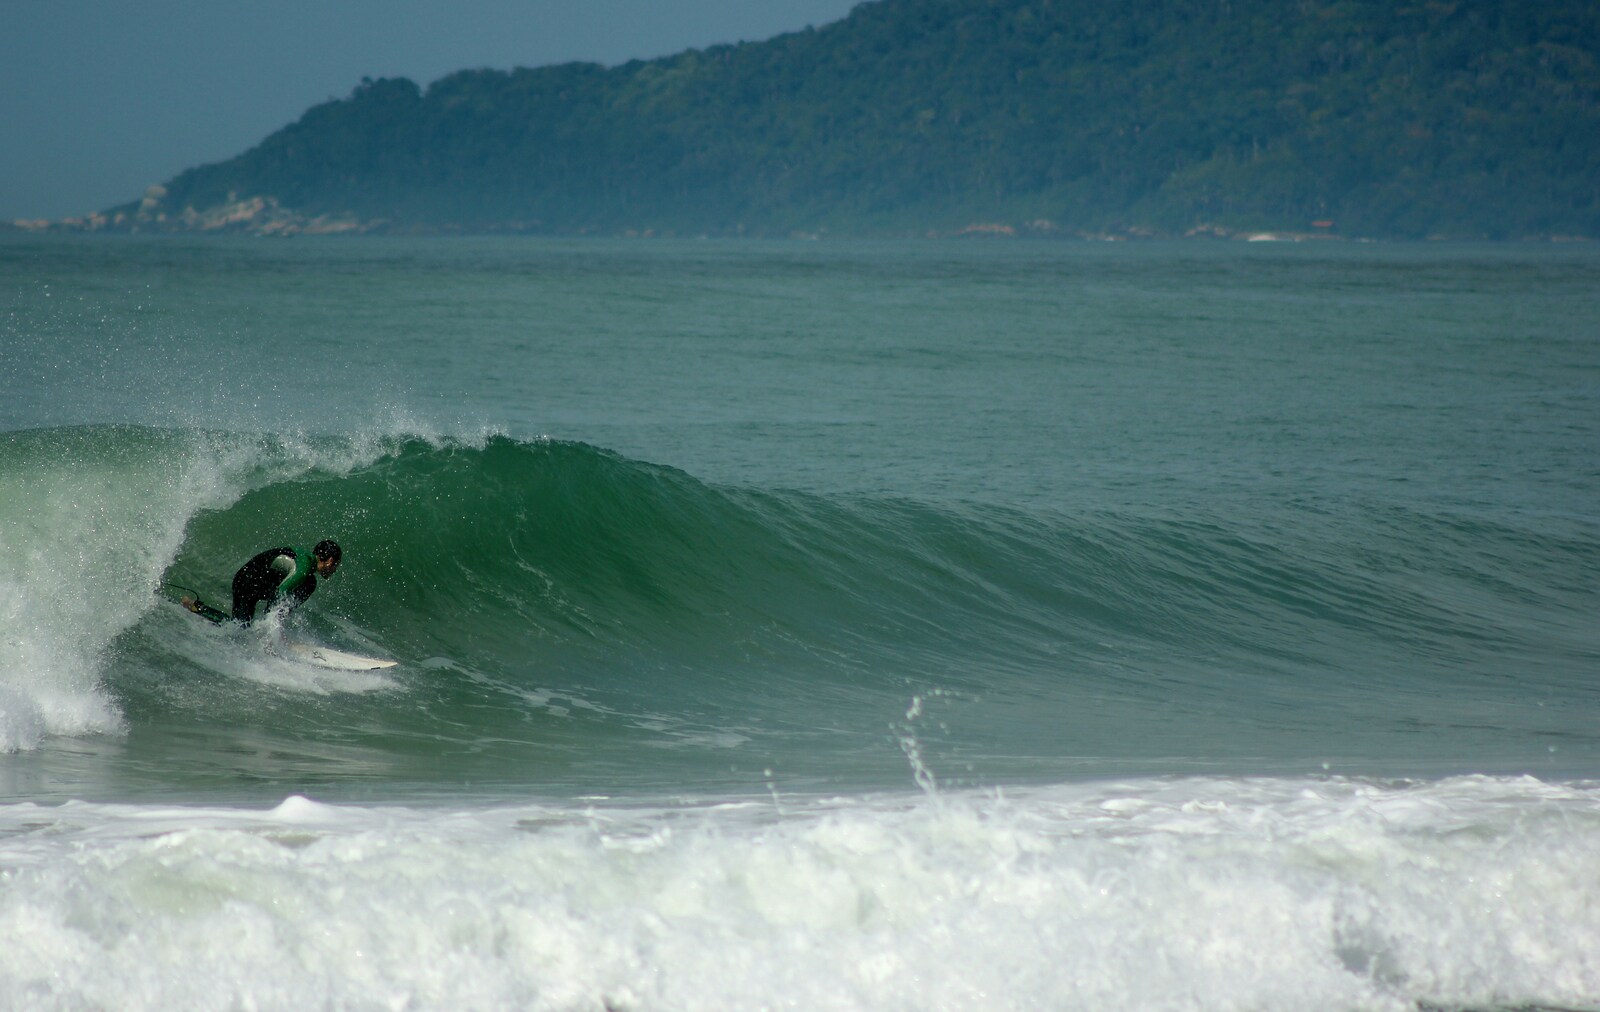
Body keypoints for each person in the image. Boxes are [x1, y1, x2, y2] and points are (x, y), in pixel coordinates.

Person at [182, 540, 342, 625]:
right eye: (336, 565)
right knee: (240, 629)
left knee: (240, 628)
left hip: (253, 581)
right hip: (247, 583)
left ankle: (196, 607)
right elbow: (281, 592)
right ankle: (197, 607)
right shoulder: (305, 567)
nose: (334, 570)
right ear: (330, 561)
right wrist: (271, 628)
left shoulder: (305, 563)